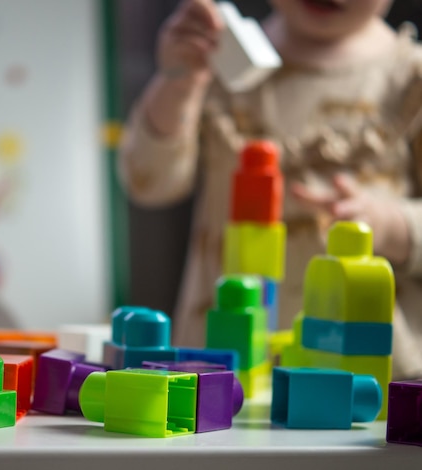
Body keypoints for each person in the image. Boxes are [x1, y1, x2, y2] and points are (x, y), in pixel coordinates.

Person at [118, 0, 422, 380]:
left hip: (364, 370)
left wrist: (394, 225)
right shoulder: (221, 59)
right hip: (225, 357)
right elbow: (149, 182)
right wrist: (179, 81)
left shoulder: (409, 76)